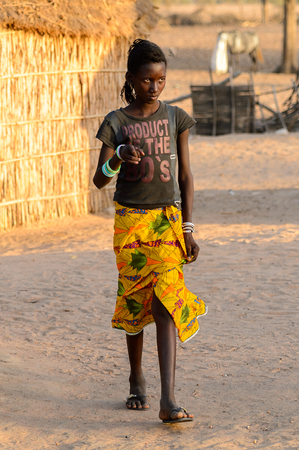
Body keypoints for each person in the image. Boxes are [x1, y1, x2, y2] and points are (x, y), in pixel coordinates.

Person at [93, 39, 206, 424]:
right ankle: (136, 376)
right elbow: (98, 180)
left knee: (165, 304)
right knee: (135, 301)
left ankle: (168, 399)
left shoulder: (176, 118)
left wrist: (188, 228)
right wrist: (119, 157)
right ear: (132, 80)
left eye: (160, 80)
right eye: (146, 80)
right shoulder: (116, 123)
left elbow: (187, 177)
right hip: (130, 225)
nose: (154, 87)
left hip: (167, 222)